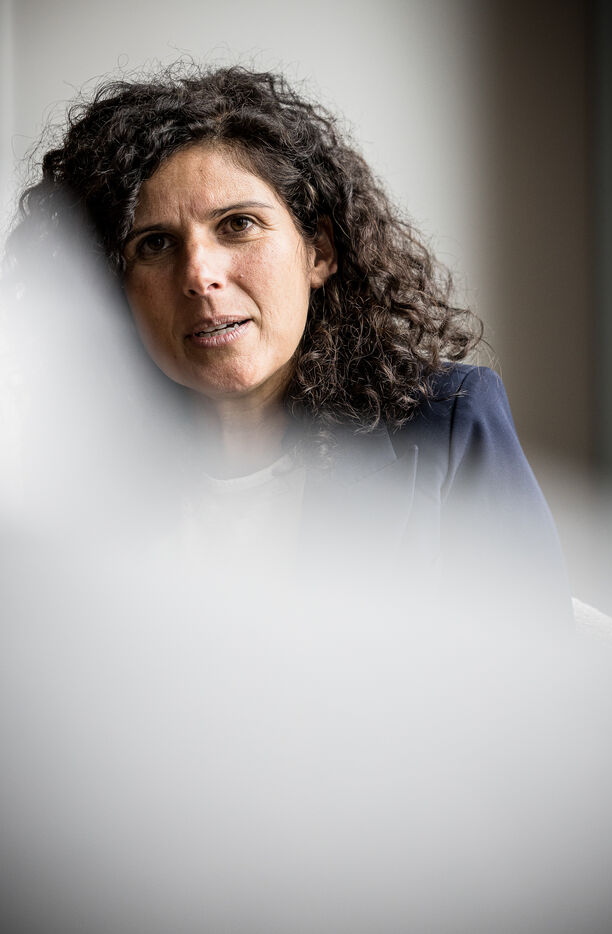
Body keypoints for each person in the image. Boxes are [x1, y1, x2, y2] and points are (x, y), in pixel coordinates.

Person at [4, 63, 570, 621]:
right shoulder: (61, 470)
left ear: (318, 251)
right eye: (154, 243)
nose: (199, 275)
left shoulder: (447, 422)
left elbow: (534, 663)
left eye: (238, 224)